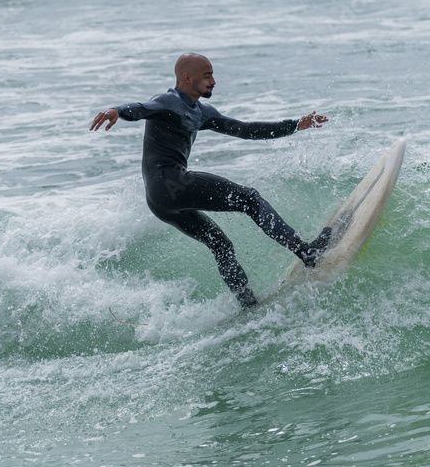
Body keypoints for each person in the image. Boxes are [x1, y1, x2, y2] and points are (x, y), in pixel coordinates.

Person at [90, 52, 331, 309]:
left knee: (221, 244)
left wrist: (295, 125)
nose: (213, 81)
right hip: (171, 183)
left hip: (159, 200)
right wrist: (117, 111)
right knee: (249, 199)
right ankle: (306, 253)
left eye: (213, 75)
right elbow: (141, 109)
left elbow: (245, 130)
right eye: (207, 76)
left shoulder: (201, 112)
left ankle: (247, 303)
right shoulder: (166, 101)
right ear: (186, 77)